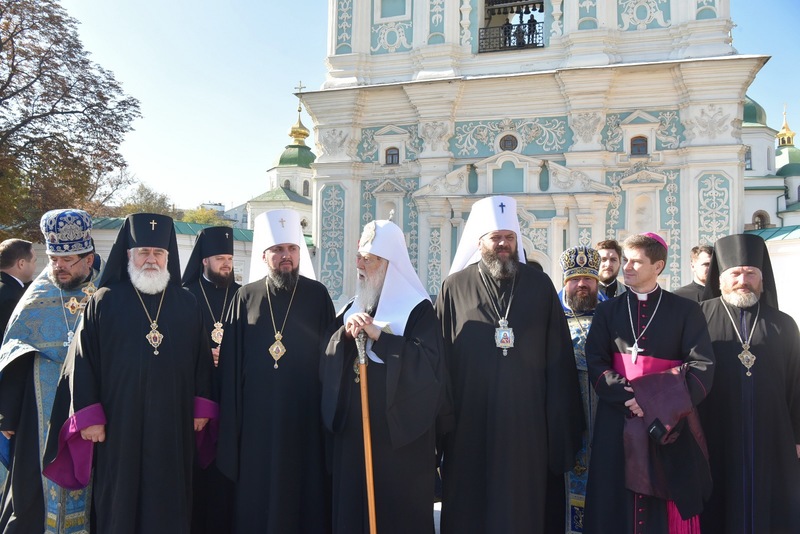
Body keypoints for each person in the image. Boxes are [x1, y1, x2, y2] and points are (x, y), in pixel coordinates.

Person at [43, 212, 216, 534]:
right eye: (144, 253)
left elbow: (201, 359)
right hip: (118, 422)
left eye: (158, 253)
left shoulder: (187, 303)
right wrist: (89, 416)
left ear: (168, 257)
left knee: (170, 494)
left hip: (173, 422)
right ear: (128, 255)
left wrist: (202, 406)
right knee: (118, 498)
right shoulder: (104, 301)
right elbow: (82, 361)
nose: (151, 259)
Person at [436, 195, 583, 533]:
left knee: (524, 507)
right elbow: (440, 360)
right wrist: (442, 424)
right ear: (480, 242)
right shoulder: (454, 287)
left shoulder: (539, 285)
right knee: (471, 505)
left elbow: (558, 358)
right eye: (496, 237)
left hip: (528, 424)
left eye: (509, 237)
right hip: (470, 421)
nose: (503, 244)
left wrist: (558, 426)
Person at [321, 220, 447, 533]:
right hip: (353, 434)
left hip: (397, 442)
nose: (359, 265)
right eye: (359, 256)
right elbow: (325, 357)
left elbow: (429, 368)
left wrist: (381, 336)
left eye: (369, 259)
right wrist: (345, 338)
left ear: (389, 265)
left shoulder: (418, 309)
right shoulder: (352, 305)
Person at [584, 232, 715, 533]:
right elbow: (596, 360)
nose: (626, 267)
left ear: (657, 267)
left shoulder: (685, 311)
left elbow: (702, 367)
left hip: (667, 422)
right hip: (617, 418)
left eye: (635, 262)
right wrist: (627, 396)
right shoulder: (607, 310)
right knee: (613, 498)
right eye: (625, 260)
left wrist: (654, 400)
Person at [216, 209, 334, 533]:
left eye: (292, 250)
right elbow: (229, 366)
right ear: (265, 254)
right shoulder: (245, 296)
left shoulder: (318, 295)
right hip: (257, 424)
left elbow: (333, 359)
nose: (287, 257)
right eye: (279, 250)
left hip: (305, 418)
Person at [0, 210, 96, 533]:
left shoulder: (105, 295)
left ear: (89, 258)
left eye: (68, 259)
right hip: (38, 415)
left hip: (91, 410)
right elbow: (14, 355)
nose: (60, 266)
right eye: (54, 258)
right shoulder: (36, 295)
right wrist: (8, 417)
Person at [698, 233, 800, 533]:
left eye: (751, 273)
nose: (743, 279)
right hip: (715, 429)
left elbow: (797, 382)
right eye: (735, 273)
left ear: (762, 279)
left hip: (773, 434)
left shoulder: (783, 324)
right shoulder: (699, 317)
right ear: (720, 279)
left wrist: (797, 434)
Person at [181, 226, 240, 534]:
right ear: (204, 261)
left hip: (232, 394)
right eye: (220, 258)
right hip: (195, 395)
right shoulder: (184, 296)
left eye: (229, 258)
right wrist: (206, 354)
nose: (226, 264)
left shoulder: (243, 295)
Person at [557, 245, 606, 533]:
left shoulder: (611, 314)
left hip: (605, 413)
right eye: (575, 280)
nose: (582, 285)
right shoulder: (551, 318)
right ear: (566, 283)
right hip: (567, 413)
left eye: (588, 278)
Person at [0, 239, 37, 332]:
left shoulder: (8, 288)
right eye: (33, 262)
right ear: (21, 264)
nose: (35, 267)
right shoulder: (12, 297)